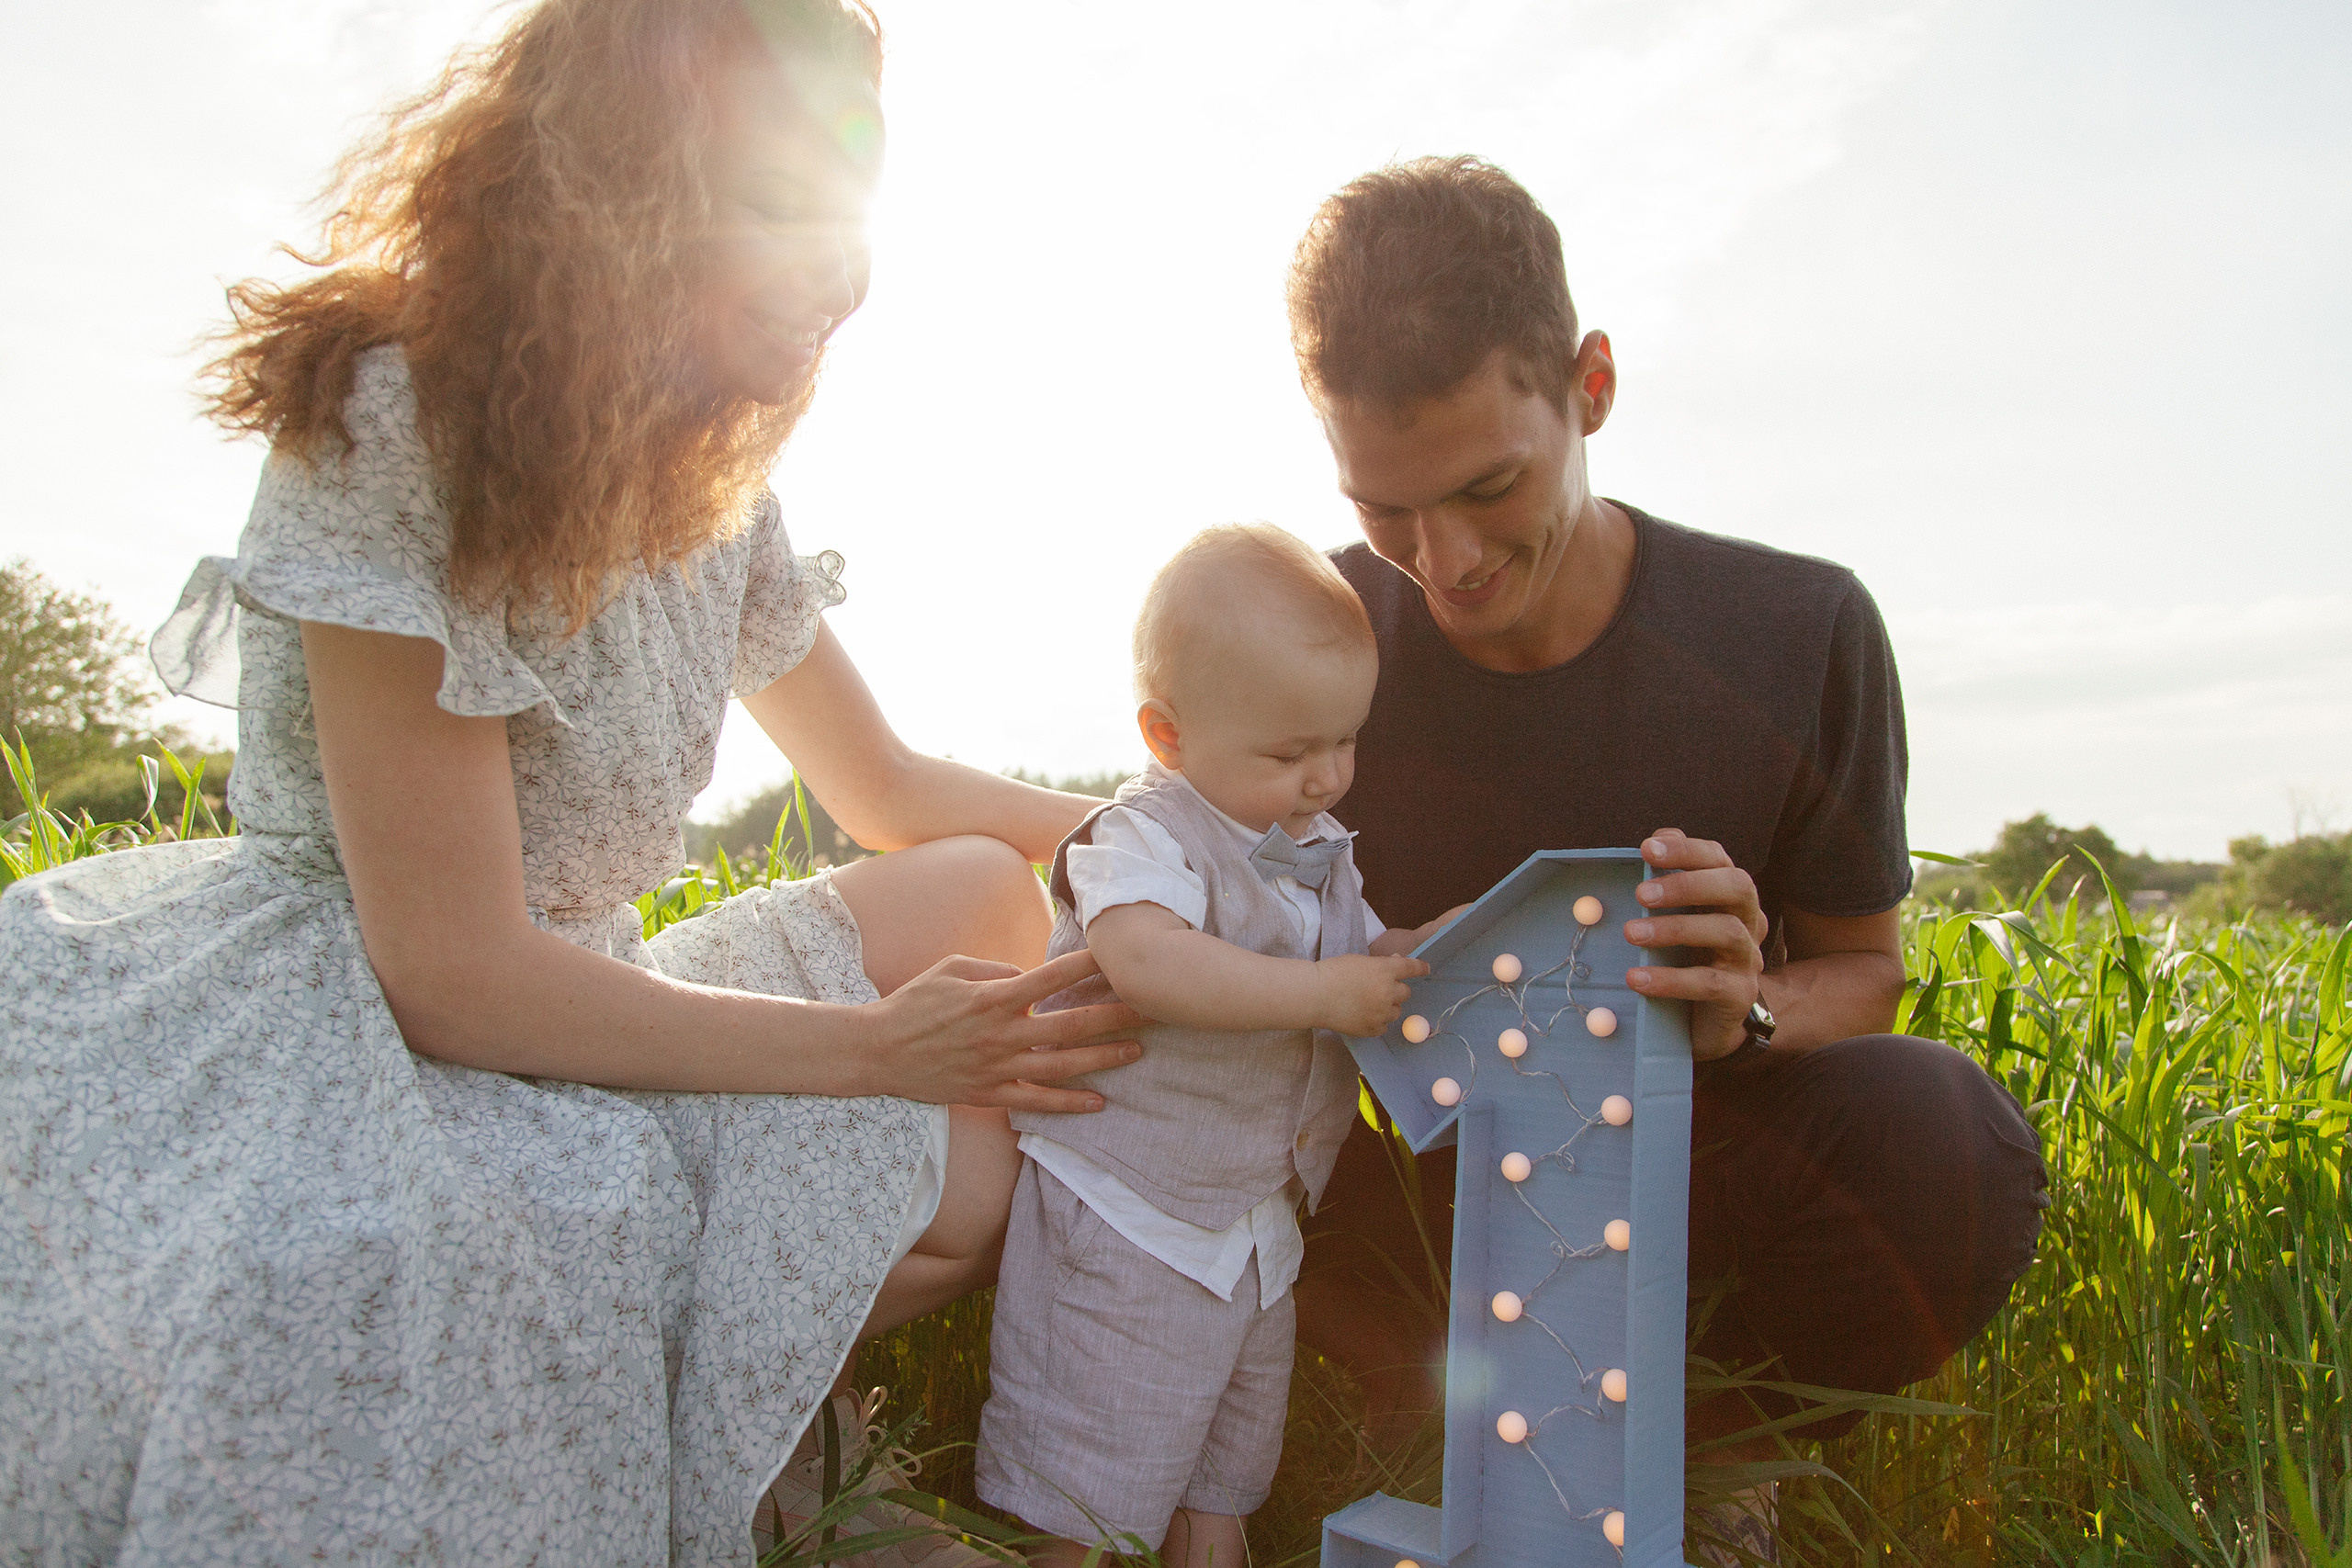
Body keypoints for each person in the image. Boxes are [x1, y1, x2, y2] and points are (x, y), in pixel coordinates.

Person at [0, 4, 1142, 1564]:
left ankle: (768, 1436)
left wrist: (1177, 836)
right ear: (629, 182)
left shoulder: (713, 467)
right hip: (364, 1009)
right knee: (480, 1254)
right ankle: (750, 1478)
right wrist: (874, 1046)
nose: (840, 269)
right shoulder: (395, 409)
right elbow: (451, 976)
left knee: (973, 927)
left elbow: (883, 780)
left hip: (586, 970)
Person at [1280, 157, 2051, 1464]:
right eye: (1384, 507)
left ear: (1590, 388)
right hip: (1400, 1189)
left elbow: (1863, 967)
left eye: (1487, 488)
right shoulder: (1308, 627)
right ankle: (1416, 1394)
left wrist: (1738, 1012)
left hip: (1674, 1165)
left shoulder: (1799, 630)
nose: (1445, 563)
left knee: (1950, 1136)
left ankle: (1716, 1453)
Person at [973, 526, 1456, 1568]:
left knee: (1224, 1468)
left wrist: (1421, 952)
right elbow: (1154, 965)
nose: (1326, 777)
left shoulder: (1315, 850)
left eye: (1344, 741)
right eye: (1289, 754)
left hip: (1248, 1226)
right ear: (1167, 734)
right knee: (1093, 1471)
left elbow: (1356, 953)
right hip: (1127, 1208)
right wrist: (1328, 993)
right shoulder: (1140, 839)